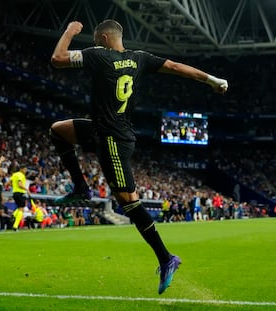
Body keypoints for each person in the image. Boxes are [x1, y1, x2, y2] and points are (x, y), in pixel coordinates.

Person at [50, 19, 228, 294]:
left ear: (105, 39)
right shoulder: (140, 58)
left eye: (97, 40)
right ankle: (81, 188)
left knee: (128, 201)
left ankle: (166, 258)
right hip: (103, 130)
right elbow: (176, 67)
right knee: (59, 131)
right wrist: (212, 80)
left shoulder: (98, 55)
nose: (96, 45)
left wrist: (70, 32)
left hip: (112, 139)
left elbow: (58, 58)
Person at [9, 164, 29, 231]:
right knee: (21, 209)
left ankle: (14, 215)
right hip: (20, 193)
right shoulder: (21, 175)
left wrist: (14, 186)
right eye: (25, 169)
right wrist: (26, 189)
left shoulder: (14, 174)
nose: (26, 171)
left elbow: (8, 183)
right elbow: (20, 184)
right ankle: (15, 226)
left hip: (14, 193)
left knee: (19, 207)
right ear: (21, 169)